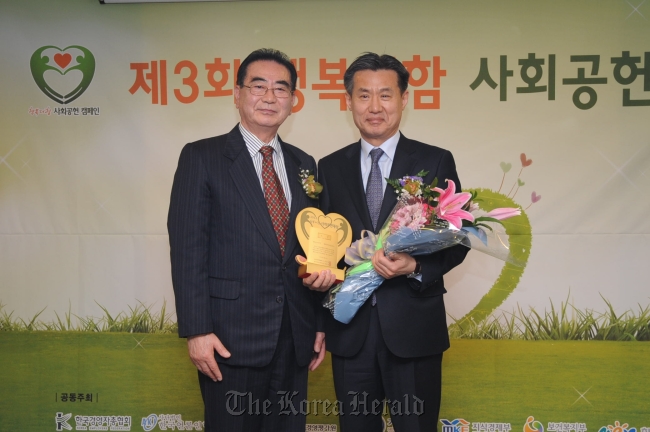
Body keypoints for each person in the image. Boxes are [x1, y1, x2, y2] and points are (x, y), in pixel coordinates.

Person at [308, 52, 469, 431]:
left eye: (385, 95)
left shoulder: (435, 160)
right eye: (363, 96)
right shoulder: (329, 168)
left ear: (403, 99)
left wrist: (416, 266)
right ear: (349, 102)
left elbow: (458, 239)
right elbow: (324, 247)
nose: (374, 106)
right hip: (350, 331)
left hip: (414, 329)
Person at [167, 48, 326, 432]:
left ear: (293, 100)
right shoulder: (202, 157)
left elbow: (313, 249)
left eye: (281, 88)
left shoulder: (305, 164)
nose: (269, 97)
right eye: (259, 86)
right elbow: (188, 249)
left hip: (294, 336)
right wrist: (197, 330)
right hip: (228, 339)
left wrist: (319, 321)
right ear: (237, 94)